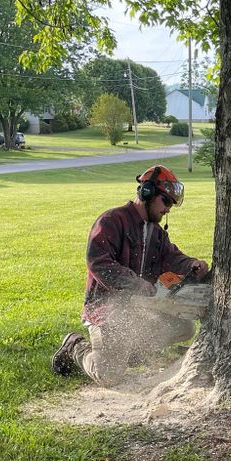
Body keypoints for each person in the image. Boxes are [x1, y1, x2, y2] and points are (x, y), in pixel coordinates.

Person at [51, 165, 209, 386]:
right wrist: (136, 284)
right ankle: (75, 346)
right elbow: (98, 262)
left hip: (139, 310)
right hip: (105, 312)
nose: (168, 210)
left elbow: (171, 257)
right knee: (109, 376)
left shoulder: (156, 233)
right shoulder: (111, 221)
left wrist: (192, 264)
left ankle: (127, 352)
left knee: (184, 327)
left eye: (171, 205)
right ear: (147, 192)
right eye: (165, 202)